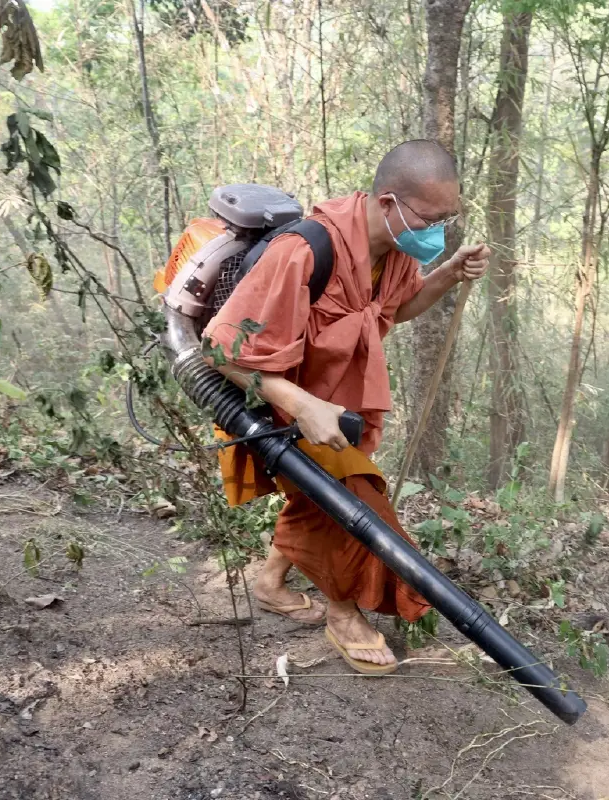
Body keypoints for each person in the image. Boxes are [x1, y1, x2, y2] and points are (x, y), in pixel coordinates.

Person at [202, 139, 489, 674]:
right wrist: (301, 404)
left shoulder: (397, 249)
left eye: (447, 220)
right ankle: (344, 611)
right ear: (388, 202)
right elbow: (219, 350)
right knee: (353, 504)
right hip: (281, 401)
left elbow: (395, 309)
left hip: (340, 405)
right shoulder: (304, 251)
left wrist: (448, 273)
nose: (437, 232)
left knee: (319, 495)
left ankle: (270, 582)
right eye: (431, 219)